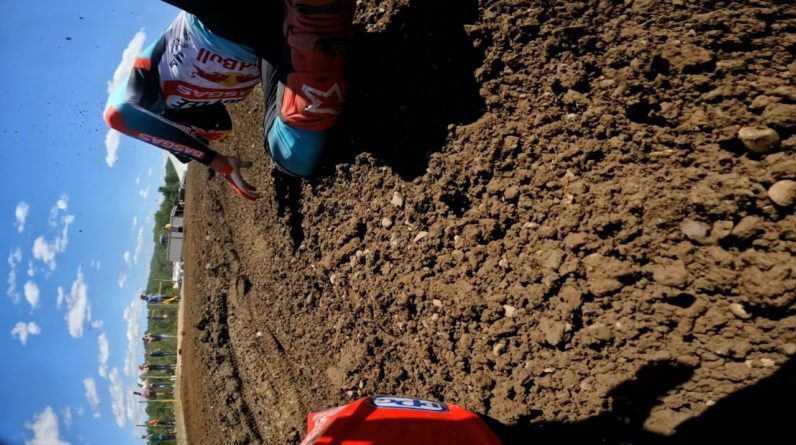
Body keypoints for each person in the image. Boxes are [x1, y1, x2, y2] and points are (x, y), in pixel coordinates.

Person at [104, 0, 355, 200]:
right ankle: (316, 28)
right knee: (293, 155)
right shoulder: (208, 89)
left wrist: (217, 162)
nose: (218, 135)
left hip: (223, 19)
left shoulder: (154, 93)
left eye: (207, 135)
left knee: (293, 155)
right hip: (269, 37)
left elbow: (117, 114)